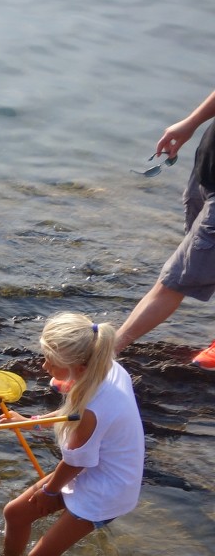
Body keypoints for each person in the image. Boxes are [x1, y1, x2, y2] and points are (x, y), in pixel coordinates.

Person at [0, 313, 144, 556]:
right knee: (14, 514)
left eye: (51, 363)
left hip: (107, 490)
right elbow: (71, 415)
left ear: (79, 367)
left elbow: (75, 462)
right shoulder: (106, 367)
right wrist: (32, 424)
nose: (44, 366)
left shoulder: (93, 410)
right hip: (94, 467)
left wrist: (49, 492)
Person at [114, 87, 215, 366]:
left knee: (174, 279)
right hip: (208, 170)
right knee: (200, 257)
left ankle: (107, 354)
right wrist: (192, 123)